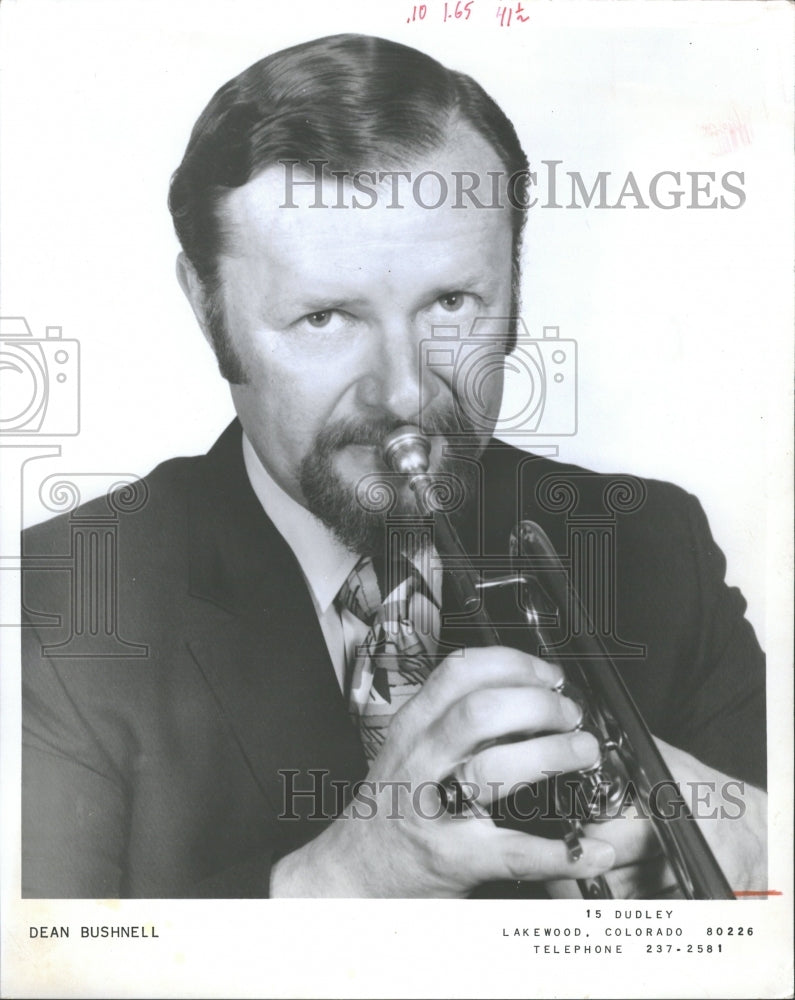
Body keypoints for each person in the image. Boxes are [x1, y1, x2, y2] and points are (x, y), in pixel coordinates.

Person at [21, 33, 766, 899]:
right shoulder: (58, 602)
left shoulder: (651, 544)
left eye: (451, 302)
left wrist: (752, 845)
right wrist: (340, 883)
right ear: (206, 304)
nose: (403, 395)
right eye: (327, 317)